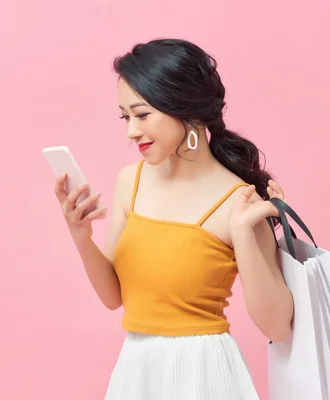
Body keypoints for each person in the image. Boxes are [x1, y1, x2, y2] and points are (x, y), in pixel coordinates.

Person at [53, 38, 294, 400]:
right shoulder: (129, 182)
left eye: (142, 114)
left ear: (187, 111)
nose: (131, 131)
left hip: (204, 376)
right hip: (137, 370)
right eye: (125, 116)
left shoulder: (238, 201)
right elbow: (114, 297)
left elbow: (277, 325)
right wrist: (80, 236)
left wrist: (243, 233)